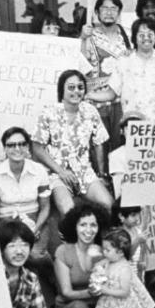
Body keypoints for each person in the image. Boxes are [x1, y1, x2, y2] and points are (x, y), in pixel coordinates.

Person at [0, 127, 53, 300]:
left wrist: (35, 229)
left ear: (28, 147)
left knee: (37, 256)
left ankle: (55, 295)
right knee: (7, 258)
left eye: (22, 144)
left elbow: (45, 207)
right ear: (5, 149)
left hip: (35, 220)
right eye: (12, 145)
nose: (17, 149)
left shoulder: (39, 171)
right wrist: (1, 238)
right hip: (7, 223)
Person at [32, 69, 112, 215]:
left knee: (108, 205)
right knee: (69, 212)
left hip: (84, 171)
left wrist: (101, 174)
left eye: (80, 87)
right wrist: (60, 171)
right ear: (62, 89)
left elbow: (99, 142)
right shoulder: (48, 113)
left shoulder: (91, 111)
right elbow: (37, 148)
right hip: (57, 173)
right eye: (71, 87)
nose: (76, 91)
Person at [90, 17, 155, 122]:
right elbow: (111, 94)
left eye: (150, 34)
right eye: (141, 35)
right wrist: (89, 95)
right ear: (134, 38)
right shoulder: (124, 61)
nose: (146, 38)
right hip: (133, 127)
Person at [51, 201, 110, 308]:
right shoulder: (63, 251)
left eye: (93, 225)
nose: (88, 230)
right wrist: (93, 293)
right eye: (83, 225)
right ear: (74, 227)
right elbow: (66, 293)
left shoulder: (105, 251)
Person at [80, 0, 132, 147]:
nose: (109, 12)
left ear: (119, 12)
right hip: (96, 99)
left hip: (122, 100)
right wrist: (82, 38)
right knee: (99, 146)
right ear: (96, 12)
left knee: (121, 145)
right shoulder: (89, 35)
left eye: (113, 8)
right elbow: (81, 63)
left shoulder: (128, 35)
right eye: (104, 8)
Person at [107, 111, 145, 199]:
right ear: (122, 131)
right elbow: (119, 189)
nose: (133, 132)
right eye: (129, 128)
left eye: (138, 128)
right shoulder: (116, 155)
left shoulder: (153, 153)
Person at [111, 198, 148, 281]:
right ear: (121, 216)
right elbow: (125, 256)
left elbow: (144, 252)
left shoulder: (138, 231)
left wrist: (145, 263)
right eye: (133, 215)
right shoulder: (117, 234)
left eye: (138, 214)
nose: (137, 218)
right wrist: (137, 241)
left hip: (140, 278)